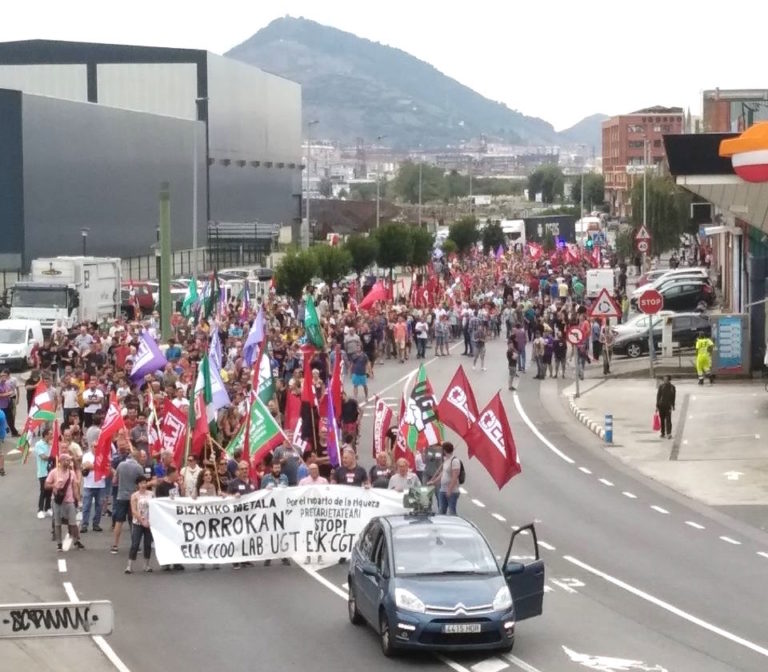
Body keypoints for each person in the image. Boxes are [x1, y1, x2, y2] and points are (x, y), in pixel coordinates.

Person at [45, 453, 84, 551]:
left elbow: (75, 488)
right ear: (61, 461)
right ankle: (59, 544)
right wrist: (54, 485)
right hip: (57, 502)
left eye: (69, 460)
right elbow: (46, 485)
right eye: (67, 460)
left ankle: (76, 541)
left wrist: (78, 501)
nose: (69, 462)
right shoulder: (54, 472)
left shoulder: (72, 473)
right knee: (57, 523)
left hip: (69, 501)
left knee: (73, 523)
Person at [111, 448, 144, 554]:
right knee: (133, 522)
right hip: (133, 497)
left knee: (119, 521)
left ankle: (115, 545)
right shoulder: (139, 467)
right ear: (137, 457)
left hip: (121, 496)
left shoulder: (121, 465)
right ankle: (135, 545)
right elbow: (141, 484)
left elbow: (114, 480)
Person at [125, 475, 153, 574]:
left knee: (147, 544)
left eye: (145, 483)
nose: (143, 485)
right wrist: (142, 520)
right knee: (135, 543)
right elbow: (134, 510)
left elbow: (155, 507)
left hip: (149, 522)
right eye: (141, 483)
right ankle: (129, 565)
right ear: (138, 485)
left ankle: (146, 564)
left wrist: (150, 520)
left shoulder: (151, 494)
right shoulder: (134, 496)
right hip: (138, 522)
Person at [80, 442, 106, 533]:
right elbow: (85, 465)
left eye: (97, 446)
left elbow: (105, 468)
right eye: (94, 446)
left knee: (99, 506)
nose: (96, 448)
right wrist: (98, 467)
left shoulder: (103, 455)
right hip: (89, 485)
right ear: (91, 447)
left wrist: (93, 466)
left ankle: (96, 524)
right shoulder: (87, 455)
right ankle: (84, 525)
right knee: (86, 506)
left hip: (100, 485)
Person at [429, 441, 460, 515]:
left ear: (444, 450)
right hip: (442, 489)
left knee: (452, 511)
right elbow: (443, 473)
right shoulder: (446, 460)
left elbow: (455, 477)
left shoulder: (455, 461)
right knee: (441, 511)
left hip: (452, 492)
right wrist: (434, 482)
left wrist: (449, 490)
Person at [35, 427, 54, 518]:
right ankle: (40, 509)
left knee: (49, 491)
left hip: (50, 471)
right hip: (43, 472)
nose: (52, 435)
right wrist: (52, 457)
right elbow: (43, 457)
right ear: (46, 435)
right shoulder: (39, 444)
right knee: (43, 490)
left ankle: (48, 508)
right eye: (50, 434)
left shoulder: (50, 444)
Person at [656, 375, 676, 440]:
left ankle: (669, 433)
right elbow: (658, 397)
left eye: (666, 379)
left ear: (669, 380)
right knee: (662, 420)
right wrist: (657, 406)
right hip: (661, 405)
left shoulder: (672, 387)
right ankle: (662, 433)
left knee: (668, 420)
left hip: (668, 406)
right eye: (664, 379)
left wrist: (673, 405)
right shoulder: (661, 387)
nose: (665, 380)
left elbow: (673, 397)